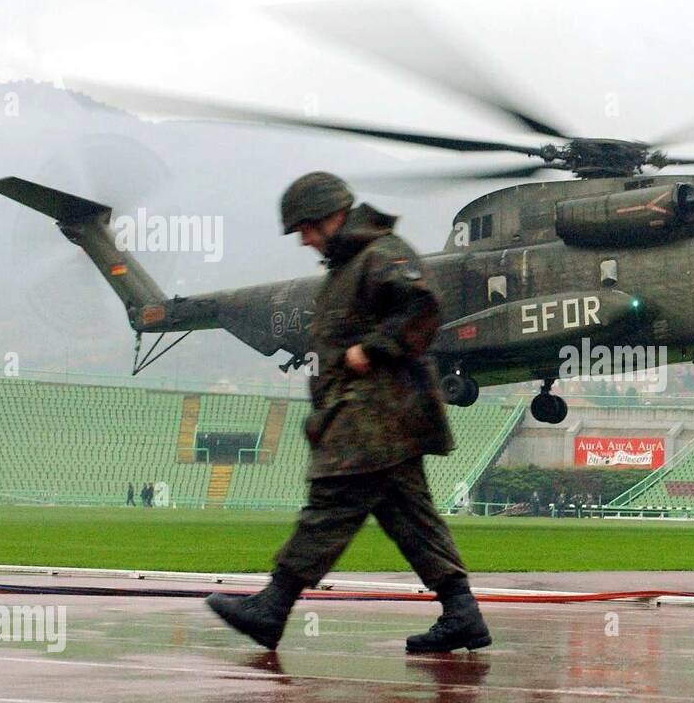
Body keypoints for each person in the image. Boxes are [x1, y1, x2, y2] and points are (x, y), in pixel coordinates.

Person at [205, 172, 491, 654]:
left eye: (308, 227)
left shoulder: (379, 255)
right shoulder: (349, 266)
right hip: (376, 418)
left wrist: (373, 349)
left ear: (333, 216)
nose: (305, 239)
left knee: (330, 504)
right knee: (411, 519)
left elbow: (422, 307)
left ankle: (273, 607)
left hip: (375, 415)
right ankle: (462, 613)